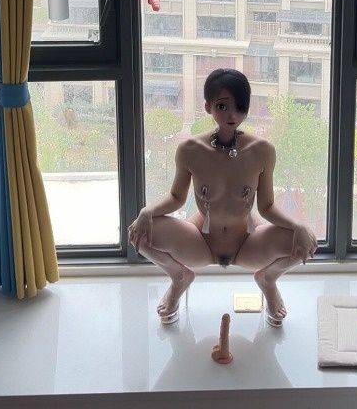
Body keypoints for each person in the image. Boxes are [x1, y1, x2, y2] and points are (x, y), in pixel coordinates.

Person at [128, 67, 318, 325]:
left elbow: (267, 206)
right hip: (200, 244)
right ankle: (179, 277)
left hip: (247, 245)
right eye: (222, 106)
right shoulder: (190, 149)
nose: (232, 115)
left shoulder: (262, 151)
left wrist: (299, 226)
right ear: (208, 107)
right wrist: (146, 212)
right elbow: (176, 197)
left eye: (240, 107)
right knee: (138, 233)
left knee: (306, 241)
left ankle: (268, 279)